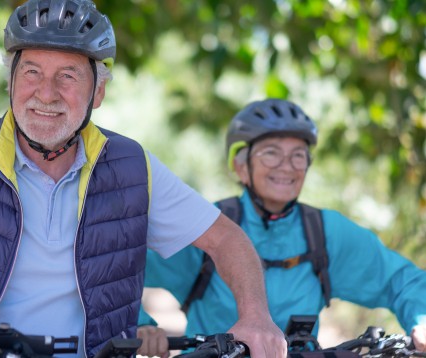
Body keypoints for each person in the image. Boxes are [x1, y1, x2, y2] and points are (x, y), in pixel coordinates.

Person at [0, 1, 288, 358]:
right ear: (12, 80)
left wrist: (255, 317)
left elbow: (226, 239)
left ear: (98, 93)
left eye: (68, 76)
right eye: (32, 71)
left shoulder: (131, 165)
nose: (47, 93)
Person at [137, 98, 426, 357]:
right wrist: (141, 325)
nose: (286, 166)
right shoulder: (209, 226)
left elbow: (400, 280)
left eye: (298, 155)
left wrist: (422, 320)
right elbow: (118, 270)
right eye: (271, 153)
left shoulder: (325, 232)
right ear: (241, 166)